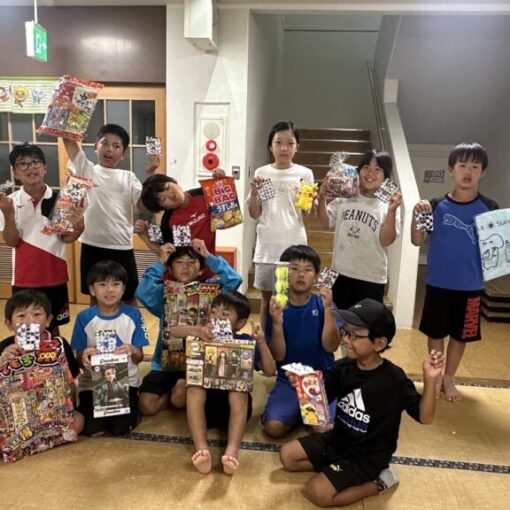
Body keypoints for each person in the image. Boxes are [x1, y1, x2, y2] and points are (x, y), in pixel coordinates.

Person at [279, 298, 445, 508]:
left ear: (379, 343)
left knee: (318, 492)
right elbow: (319, 405)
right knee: (287, 457)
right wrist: (304, 386)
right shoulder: (344, 367)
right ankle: (336, 469)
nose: (345, 340)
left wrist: (430, 381)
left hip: (367, 456)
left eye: (354, 335)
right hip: (337, 440)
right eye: (345, 332)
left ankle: (381, 482)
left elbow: (425, 417)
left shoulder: (394, 380)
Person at [411, 142, 498, 402]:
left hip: (471, 286)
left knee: (461, 336)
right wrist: (417, 216)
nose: (468, 172)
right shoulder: (435, 206)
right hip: (438, 283)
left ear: (483, 172)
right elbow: (417, 240)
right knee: (436, 333)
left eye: (475, 167)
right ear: (451, 170)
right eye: (462, 165)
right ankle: (436, 376)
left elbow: (497, 251)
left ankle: (449, 377)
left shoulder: (490, 208)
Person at [135, 238, 242, 418]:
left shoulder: (212, 290)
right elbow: (142, 292)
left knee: (180, 398)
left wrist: (208, 256)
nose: (185, 267)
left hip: (198, 362)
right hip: (164, 364)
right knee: (146, 406)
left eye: (192, 262)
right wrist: (160, 261)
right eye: (179, 262)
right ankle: (170, 396)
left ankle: (177, 394)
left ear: (201, 269)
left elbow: (235, 280)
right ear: (170, 269)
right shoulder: (163, 292)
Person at [187, 291, 276, 475]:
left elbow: (270, 371)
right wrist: (198, 331)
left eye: (225, 314)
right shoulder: (204, 336)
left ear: (240, 323)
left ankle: (232, 450)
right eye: (213, 312)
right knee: (193, 387)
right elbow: (174, 331)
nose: (217, 317)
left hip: (236, 411)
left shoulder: (244, 342)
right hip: (206, 409)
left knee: (238, 388)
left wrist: (260, 342)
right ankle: (201, 449)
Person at [0, 143, 84, 335]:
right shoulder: (9, 202)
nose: (30, 167)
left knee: (53, 328)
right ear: (15, 172)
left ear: (45, 167)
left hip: (55, 275)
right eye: (23, 164)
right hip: (24, 278)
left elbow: (66, 239)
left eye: (35, 162)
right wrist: (8, 214)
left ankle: (56, 355)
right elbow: (12, 241)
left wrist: (80, 226)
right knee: (26, 330)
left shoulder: (62, 199)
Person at [262, 245, 341, 439]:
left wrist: (328, 309)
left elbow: (331, 346)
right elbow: (278, 355)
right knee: (273, 428)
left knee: (327, 429)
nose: (301, 274)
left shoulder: (323, 304)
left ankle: (307, 411)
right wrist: (277, 323)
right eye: (294, 268)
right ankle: (300, 411)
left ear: (316, 276)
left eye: (308, 270)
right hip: (288, 379)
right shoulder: (277, 307)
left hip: (321, 379)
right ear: (284, 273)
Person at [62, 123, 146, 304]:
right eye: (105, 143)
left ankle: (132, 324)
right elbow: (68, 141)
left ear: (123, 154)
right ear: (95, 146)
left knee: (129, 298)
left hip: (121, 245)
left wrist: (151, 172)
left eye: (116, 146)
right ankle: (96, 324)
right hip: (92, 244)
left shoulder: (129, 177)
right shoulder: (87, 170)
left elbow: (143, 206)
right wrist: (68, 117)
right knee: (96, 298)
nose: (109, 149)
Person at [248, 121, 314, 330]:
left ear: (297, 147)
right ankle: (264, 342)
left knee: (292, 300)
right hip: (267, 247)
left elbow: (307, 213)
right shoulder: (262, 173)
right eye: (278, 142)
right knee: (267, 300)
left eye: (290, 143)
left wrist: (310, 198)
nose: (284, 148)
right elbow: (254, 213)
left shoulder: (304, 174)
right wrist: (254, 194)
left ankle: (289, 342)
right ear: (270, 146)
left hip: (294, 245)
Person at [71, 260, 149, 436]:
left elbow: (139, 358)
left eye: (116, 284)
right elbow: (79, 360)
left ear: (123, 289)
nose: (110, 290)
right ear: (92, 289)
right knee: (93, 429)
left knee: (120, 428)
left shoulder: (133, 315)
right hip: (92, 384)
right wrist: (85, 356)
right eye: (102, 284)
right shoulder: (84, 318)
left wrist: (132, 350)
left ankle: (133, 410)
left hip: (125, 383)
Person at [317, 150, 401, 310]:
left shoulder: (388, 204)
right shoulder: (346, 195)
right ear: (358, 170)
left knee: (366, 323)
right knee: (339, 319)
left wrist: (392, 211)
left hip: (372, 277)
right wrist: (321, 198)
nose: (370, 173)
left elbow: (386, 240)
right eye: (366, 167)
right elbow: (325, 223)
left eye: (378, 169)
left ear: (386, 177)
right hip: (340, 272)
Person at [0, 289, 84, 433]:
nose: (29, 321)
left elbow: (73, 382)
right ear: (9, 324)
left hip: (52, 409)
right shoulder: (5, 347)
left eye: (37, 314)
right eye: (21, 315)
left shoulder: (60, 344)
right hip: (19, 413)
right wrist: (4, 360)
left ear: (48, 320)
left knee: (79, 421)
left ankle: (44, 436)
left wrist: (67, 408)